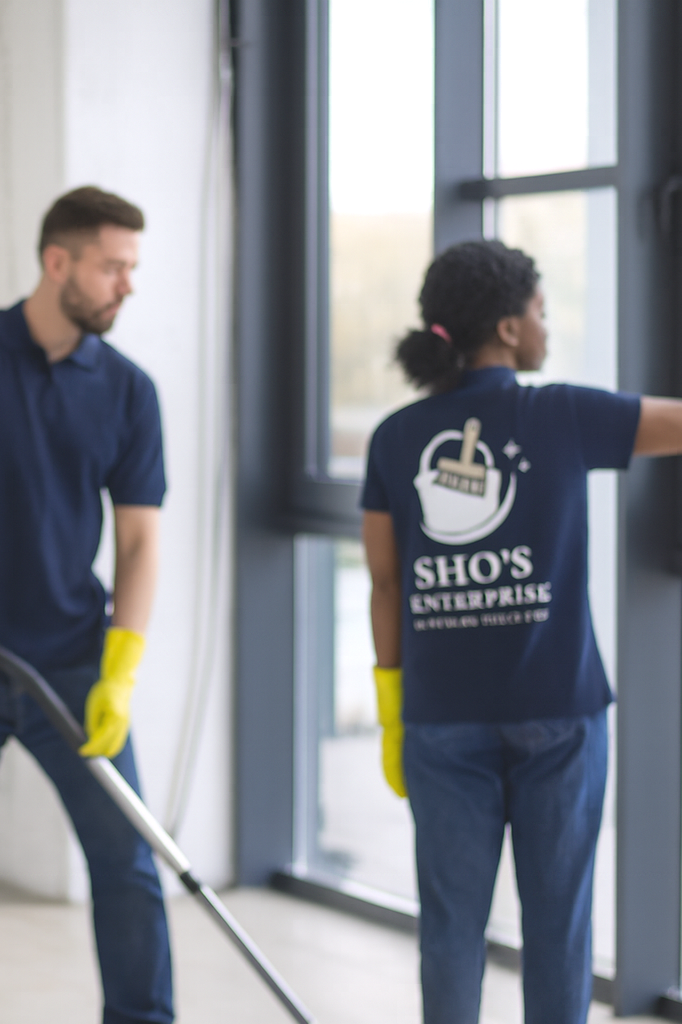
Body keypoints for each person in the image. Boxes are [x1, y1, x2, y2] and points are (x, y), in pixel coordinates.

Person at [362, 239, 682, 1024]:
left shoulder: (396, 438)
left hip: (438, 718)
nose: (548, 325)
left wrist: (390, 702)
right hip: (559, 712)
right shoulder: (563, 414)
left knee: (449, 930)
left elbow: (385, 582)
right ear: (507, 329)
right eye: (540, 311)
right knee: (558, 928)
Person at [0, 186, 173, 1024]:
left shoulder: (129, 392)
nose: (126, 285)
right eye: (113, 267)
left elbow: (140, 542)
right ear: (57, 261)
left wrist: (121, 670)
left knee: (128, 865)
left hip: (71, 661)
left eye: (132, 268)